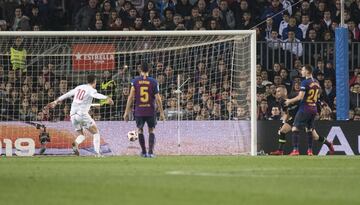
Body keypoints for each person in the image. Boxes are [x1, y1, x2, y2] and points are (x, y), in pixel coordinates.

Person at [48, 74, 114, 157]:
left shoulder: (79, 87)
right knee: (96, 133)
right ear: (95, 81)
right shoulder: (91, 89)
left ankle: (76, 143)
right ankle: (98, 153)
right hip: (82, 114)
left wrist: (55, 101)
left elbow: (67, 94)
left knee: (82, 135)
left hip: (72, 115)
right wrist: (107, 98)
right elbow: (96, 95)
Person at [285, 65, 334, 156]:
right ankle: (310, 151)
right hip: (313, 109)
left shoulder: (305, 82)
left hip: (305, 109)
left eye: (303, 70)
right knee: (310, 130)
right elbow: (317, 96)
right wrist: (322, 104)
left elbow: (300, 97)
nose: (301, 72)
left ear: (307, 72)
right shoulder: (316, 82)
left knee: (295, 128)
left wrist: (289, 101)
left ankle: (295, 150)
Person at [123, 64, 165, 158]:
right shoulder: (154, 82)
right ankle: (150, 152)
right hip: (150, 110)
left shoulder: (135, 81)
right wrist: (161, 112)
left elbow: (130, 97)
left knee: (140, 130)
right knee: (151, 130)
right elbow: (158, 98)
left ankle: (143, 152)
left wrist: (126, 112)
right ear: (149, 70)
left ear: (140, 70)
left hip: (139, 110)